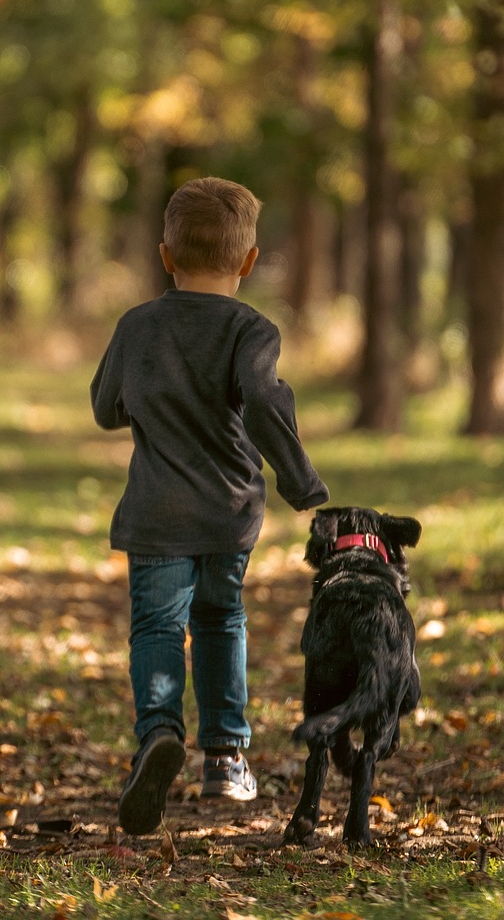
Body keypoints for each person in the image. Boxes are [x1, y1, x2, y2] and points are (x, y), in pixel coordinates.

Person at [89, 176, 329, 835]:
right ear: (248, 262)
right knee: (222, 619)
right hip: (230, 512)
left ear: (165, 256)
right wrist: (303, 482)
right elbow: (264, 402)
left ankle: (159, 735)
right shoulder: (253, 329)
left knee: (158, 628)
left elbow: (106, 407)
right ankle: (225, 757)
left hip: (156, 513)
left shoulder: (137, 325)